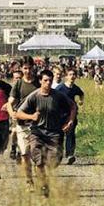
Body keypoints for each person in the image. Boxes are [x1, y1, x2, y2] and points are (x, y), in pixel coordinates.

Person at [17, 69, 76, 197]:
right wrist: (31, 116)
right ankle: (43, 185)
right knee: (38, 161)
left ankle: (45, 182)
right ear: (40, 81)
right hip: (37, 133)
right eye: (45, 80)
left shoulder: (58, 96)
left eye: (50, 80)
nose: (48, 83)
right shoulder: (34, 96)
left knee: (52, 162)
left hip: (55, 134)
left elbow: (72, 106)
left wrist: (70, 121)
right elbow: (19, 113)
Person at [7, 56, 41, 192]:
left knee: (38, 156)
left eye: (29, 68)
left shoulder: (39, 84)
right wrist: (11, 112)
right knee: (25, 155)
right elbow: (10, 102)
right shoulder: (19, 84)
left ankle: (41, 181)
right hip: (22, 124)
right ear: (21, 69)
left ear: (33, 67)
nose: (27, 71)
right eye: (25, 68)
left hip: (38, 125)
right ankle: (29, 181)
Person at [56, 68, 84, 165]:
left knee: (70, 134)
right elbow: (53, 96)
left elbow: (81, 94)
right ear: (66, 76)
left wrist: (81, 101)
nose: (72, 76)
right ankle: (58, 155)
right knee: (59, 135)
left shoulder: (75, 88)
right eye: (70, 74)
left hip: (71, 114)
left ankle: (70, 155)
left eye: (73, 74)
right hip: (60, 114)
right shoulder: (60, 88)